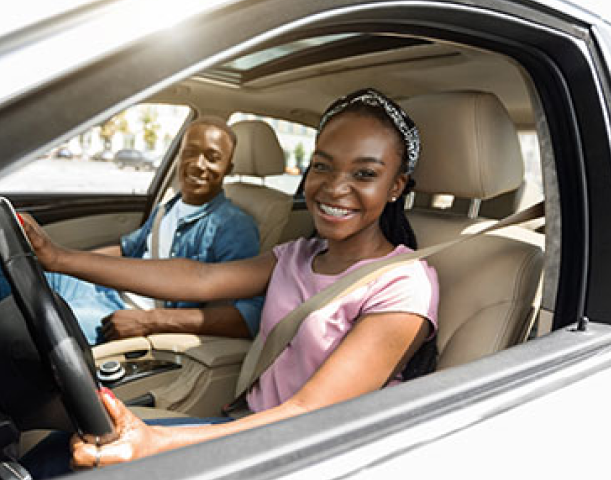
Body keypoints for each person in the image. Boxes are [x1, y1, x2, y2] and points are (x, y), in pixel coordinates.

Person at [22, 88, 439, 474]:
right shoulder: (297, 254)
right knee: (56, 452)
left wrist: (155, 442)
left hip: (305, 455)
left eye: (364, 174)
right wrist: (60, 259)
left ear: (396, 186)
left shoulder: (404, 283)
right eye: (322, 166)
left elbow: (307, 413)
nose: (334, 187)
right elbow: (198, 278)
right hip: (248, 428)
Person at [0, 116, 263, 345]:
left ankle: (11, 343)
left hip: (124, 313)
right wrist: (73, 268)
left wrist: (149, 320)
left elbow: (245, 317)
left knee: (25, 330)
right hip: (103, 290)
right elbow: (127, 248)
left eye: (212, 157)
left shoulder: (235, 226)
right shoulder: (170, 205)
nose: (198, 165)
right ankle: (11, 337)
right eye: (190, 152)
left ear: (228, 167)